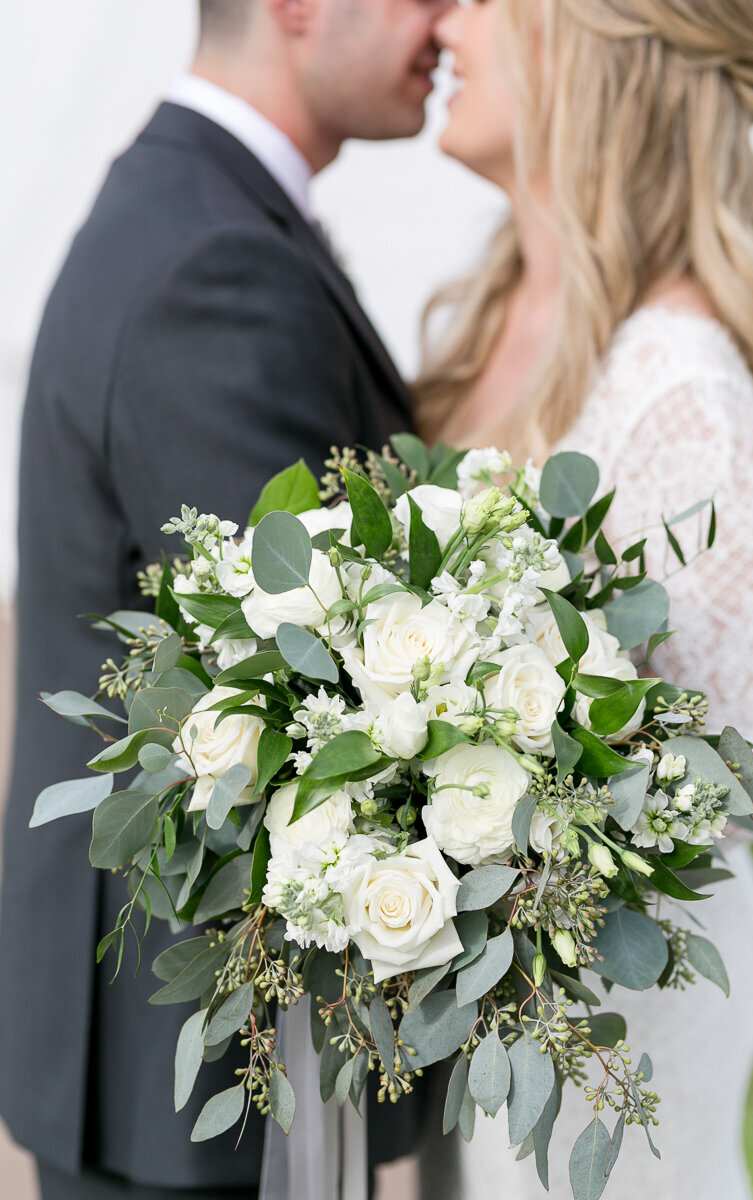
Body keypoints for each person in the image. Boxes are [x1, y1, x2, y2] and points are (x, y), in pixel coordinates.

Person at [0, 1, 454, 1198]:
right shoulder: (215, 259)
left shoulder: (201, 206)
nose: (453, 20)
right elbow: (321, 691)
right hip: (187, 1069)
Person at [415, 0, 753, 1196]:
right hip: (495, 1013)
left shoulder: (674, 394)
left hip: (616, 1028)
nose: (447, 20)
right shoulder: (495, 305)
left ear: (582, 46)